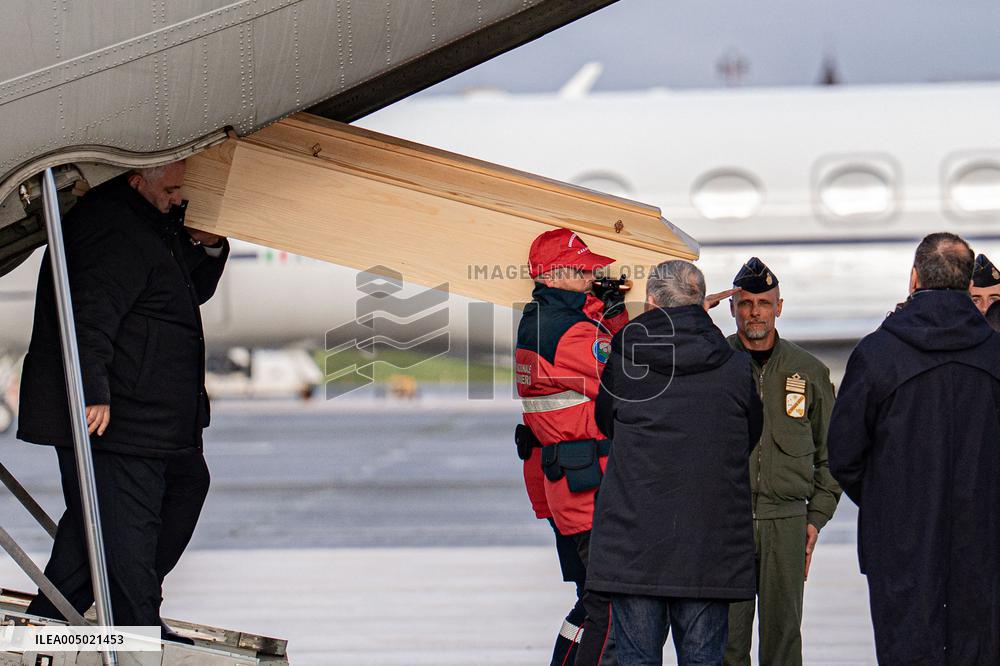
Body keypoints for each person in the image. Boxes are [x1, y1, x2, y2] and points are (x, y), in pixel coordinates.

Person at [17, 161, 229, 639]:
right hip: (118, 422)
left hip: (155, 422)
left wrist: (209, 243)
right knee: (125, 534)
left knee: (104, 531)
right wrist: (92, 391)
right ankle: (136, 629)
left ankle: (47, 627)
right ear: (138, 181)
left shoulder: (150, 224)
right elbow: (86, 315)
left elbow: (188, 290)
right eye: (173, 189)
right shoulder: (109, 228)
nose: (179, 199)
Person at [828, 232, 1000, 663]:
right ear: (967, 284)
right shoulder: (994, 355)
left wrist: (890, 502)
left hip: (900, 545)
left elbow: (845, 453)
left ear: (914, 279)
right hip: (984, 543)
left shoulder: (878, 353)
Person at [587, 260, 762, 665]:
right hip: (708, 544)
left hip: (636, 543)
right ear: (702, 304)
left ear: (650, 303)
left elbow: (605, 423)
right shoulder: (735, 367)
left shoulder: (627, 361)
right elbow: (750, 434)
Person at [515, 228, 630, 665]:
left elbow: (591, 350)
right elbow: (628, 376)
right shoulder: (572, 334)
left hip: (565, 487)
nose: (592, 275)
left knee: (589, 605)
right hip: (590, 492)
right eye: (583, 270)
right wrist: (622, 317)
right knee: (611, 610)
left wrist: (604, 307)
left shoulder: (539, 320)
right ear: (557, 274)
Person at [723, 257, 841, 666]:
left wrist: (815, 518)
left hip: (787, 521)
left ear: (779, 306)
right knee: (726, 643)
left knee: (784, 641)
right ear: (732, 307)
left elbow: (833, 454)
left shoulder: (808, 371)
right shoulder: (715, 364)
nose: (754, 312)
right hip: (726, 525)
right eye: (745, 302)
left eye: (764, 303)